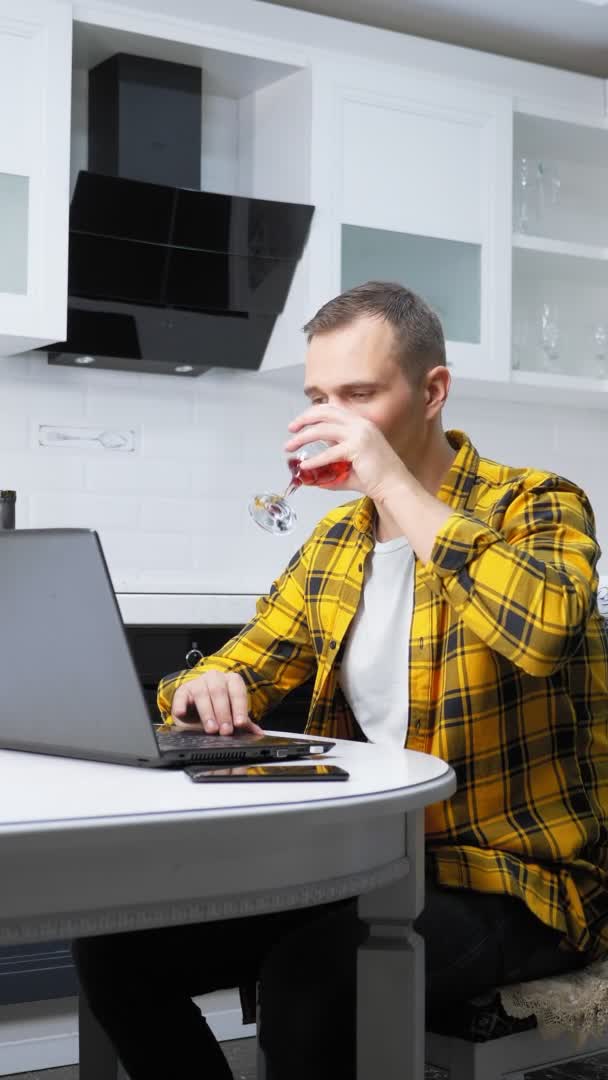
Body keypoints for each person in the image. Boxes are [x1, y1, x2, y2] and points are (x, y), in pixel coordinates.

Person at [73, 281, 608, 1080]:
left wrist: (393, 482)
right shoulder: (337, 542)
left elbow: (544, 630)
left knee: (312, 981)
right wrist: (211, 680)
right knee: (117, 954)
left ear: (432, 391)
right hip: (375, 866)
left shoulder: (535, 501)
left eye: (359, 394)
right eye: (320, 396)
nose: (336, 416)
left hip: (520, 879)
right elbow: (248, 655)